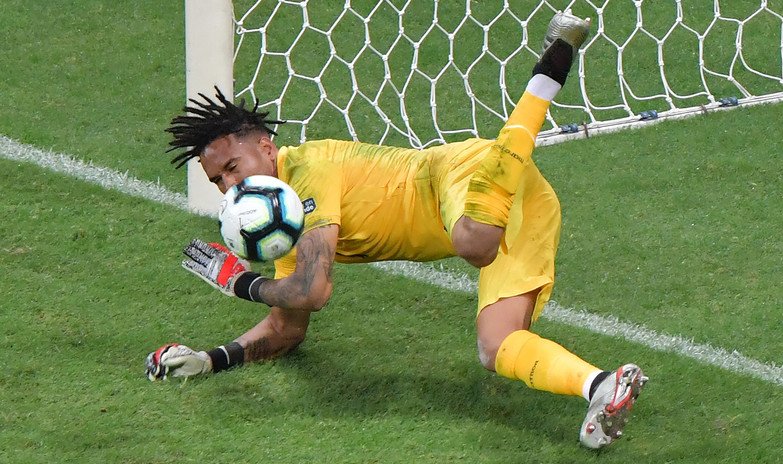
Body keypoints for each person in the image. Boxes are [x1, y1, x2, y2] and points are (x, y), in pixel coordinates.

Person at [145, 12, 647, 449]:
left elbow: (313, 291)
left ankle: (548, 72)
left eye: (233, 166)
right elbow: (288, 326)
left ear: (266, 147)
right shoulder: (287, 221)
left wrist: (237, 281)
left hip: (459, 174)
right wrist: (211, 360)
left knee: (473, 241)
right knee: (496, 347)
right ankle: (603, 385)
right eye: (218, 180)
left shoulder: (310, 171)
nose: (230, 185)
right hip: (528, 204)